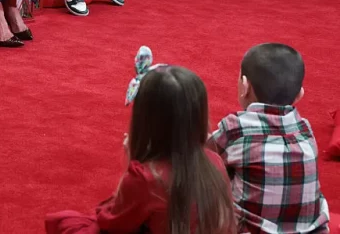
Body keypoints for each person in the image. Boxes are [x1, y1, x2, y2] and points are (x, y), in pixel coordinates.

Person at [46, 65, 235, 234]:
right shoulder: (214, 160)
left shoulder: (146, 177)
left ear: (144, 119)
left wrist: (133, 160)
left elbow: (110, 221)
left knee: (66, 222)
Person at [208, 43, 331, 233]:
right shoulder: (305, 128)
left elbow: (201, 155)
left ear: (245, 86)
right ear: (299, 95)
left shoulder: (236, 128)